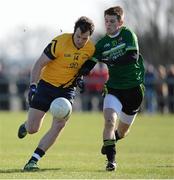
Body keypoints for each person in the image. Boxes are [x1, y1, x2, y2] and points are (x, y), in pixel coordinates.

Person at [17, 16, 95, 171]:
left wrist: (80, 79)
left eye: (84, 38)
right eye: (78, 36)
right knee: (33, 129)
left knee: (59, 124)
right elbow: (39, 64)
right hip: (46, 86)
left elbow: (82, 68)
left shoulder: (91, 49)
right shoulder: (59, 42)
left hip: (66, 90)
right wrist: (33, 86)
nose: (80, 40)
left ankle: (33, 160)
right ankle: (26, 125)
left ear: (89, 37)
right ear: (74, 32)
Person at [79, 6, 145, 171]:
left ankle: (112, 141)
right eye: (106, 21)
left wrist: (110, 60)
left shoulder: (128, 35)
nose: (108, 24)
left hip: (134, 90)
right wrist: (80, 74)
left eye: (112, 21)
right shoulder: (102, 43)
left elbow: (132, 56)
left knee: (122, 133)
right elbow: (90, 63)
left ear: (120, 22)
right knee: (109, 122)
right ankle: (111, 160)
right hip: (114, 88)